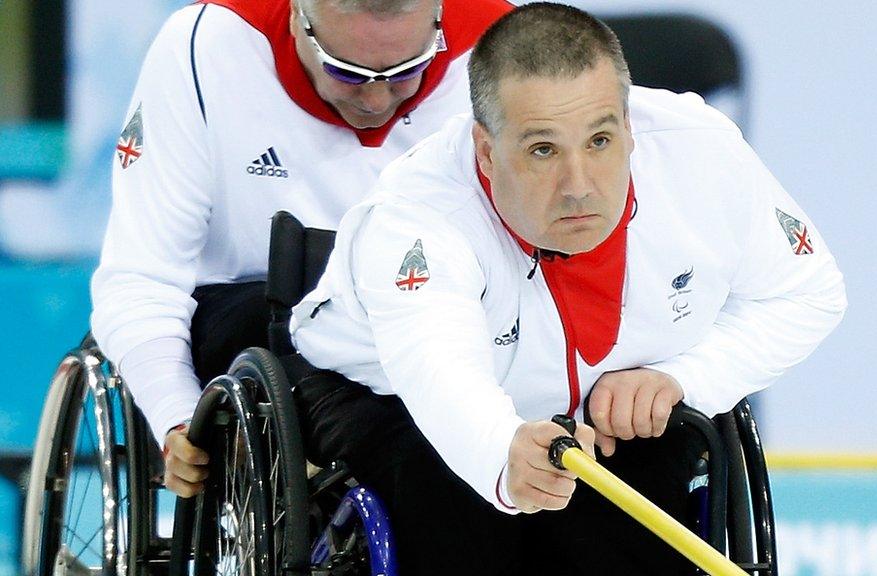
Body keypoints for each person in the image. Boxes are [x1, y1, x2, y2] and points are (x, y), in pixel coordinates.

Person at [291, 2, 847, 574]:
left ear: (629, 128)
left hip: (602, 404)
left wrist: (684, 376)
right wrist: (502, 453)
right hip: (386, 393)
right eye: (542, 150)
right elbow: (443, 376)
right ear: (486, 151)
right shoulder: (417, 217)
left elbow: (809, 293)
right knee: (449, 487)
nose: (578, 186)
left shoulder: (701, 153)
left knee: (661, 456)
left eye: (600, 142)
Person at [89, 0, 511, 498]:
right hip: (256, 311)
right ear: (297, 20)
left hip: (433, 312)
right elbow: (142, 276)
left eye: (408, 71)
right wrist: (176, 416)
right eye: (346, 72)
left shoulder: (503, 46)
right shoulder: (208, 46)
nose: (377, 101)